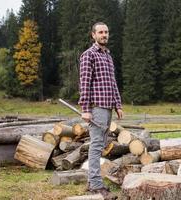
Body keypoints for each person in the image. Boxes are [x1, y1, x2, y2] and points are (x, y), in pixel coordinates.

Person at [78, 22, 123, 199]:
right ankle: (96, 185)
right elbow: (84, 84)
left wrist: (118, 105)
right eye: (100, 32)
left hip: (108, 107)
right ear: (93, 35)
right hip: (96, 108)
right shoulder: (88, 55)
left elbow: (113, 83)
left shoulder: (108, 56)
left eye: (106, 32)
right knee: (96, 145)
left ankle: (92, 181)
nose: (104, 34)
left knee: (101, 144)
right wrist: (85, 109)